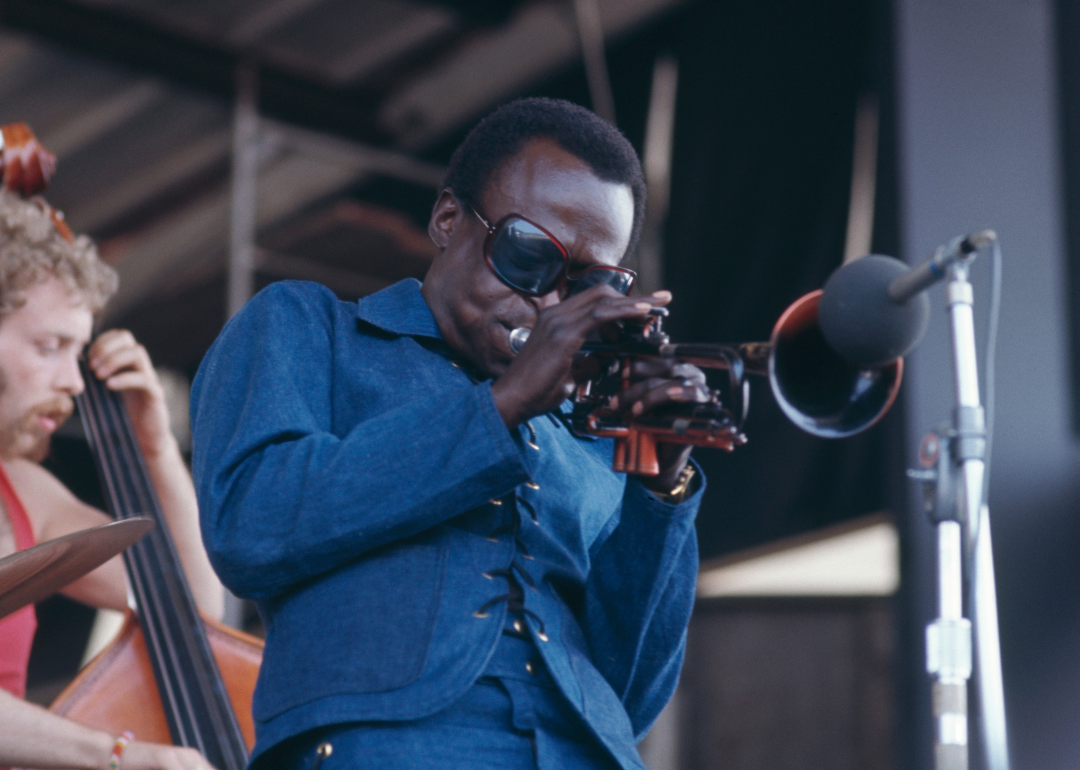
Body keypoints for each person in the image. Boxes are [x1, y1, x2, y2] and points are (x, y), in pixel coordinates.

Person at [191, 97, 708, 770]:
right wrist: (500, 407)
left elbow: (629, 698)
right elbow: (249, 525)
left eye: (589, 286)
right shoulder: (308, 327)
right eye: (530, 256)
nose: (551, 304)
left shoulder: (593, 429)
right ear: (447, 220)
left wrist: (658, 488)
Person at [0, 187, 223, 770]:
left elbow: (193, 609)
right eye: (50, 347)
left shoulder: (24, 491)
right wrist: (120, 755)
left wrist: (155, 448)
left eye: (79, 353)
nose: (75, 382)